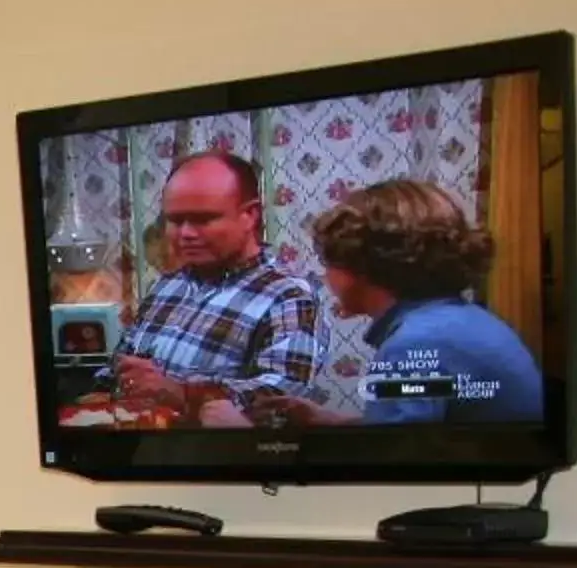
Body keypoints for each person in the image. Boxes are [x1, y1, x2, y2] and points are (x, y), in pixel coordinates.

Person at [274, 178, 544, 425]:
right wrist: (332, 423)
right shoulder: (458, 321)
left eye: (328, 262)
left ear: (360, 265)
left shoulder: (414, 345)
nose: (325, 276)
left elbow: (389, 466)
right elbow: (412, 440)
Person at [112, 150, 325, 425]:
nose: (185, 233)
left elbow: (280, 397)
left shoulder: (288, 296)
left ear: (250, 215)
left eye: (203, 219)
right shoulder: (166, 286)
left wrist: (184, 395)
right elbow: (119, 365)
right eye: (174, 221)